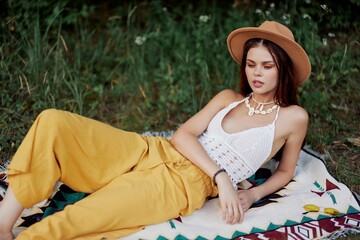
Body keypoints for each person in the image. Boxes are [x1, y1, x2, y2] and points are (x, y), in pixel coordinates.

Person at [0, 20, 311, 240]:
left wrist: (251, 193)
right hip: (153, 150)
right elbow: (181, 136)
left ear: (282, 67)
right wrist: (223, 178)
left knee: (82, 217)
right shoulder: (228, 99)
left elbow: (284, 172)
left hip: (181, 184)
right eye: (251, 64)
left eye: (267, 66)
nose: (256, 73)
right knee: (54, 121)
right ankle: (2, 224)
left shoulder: (293, 117)